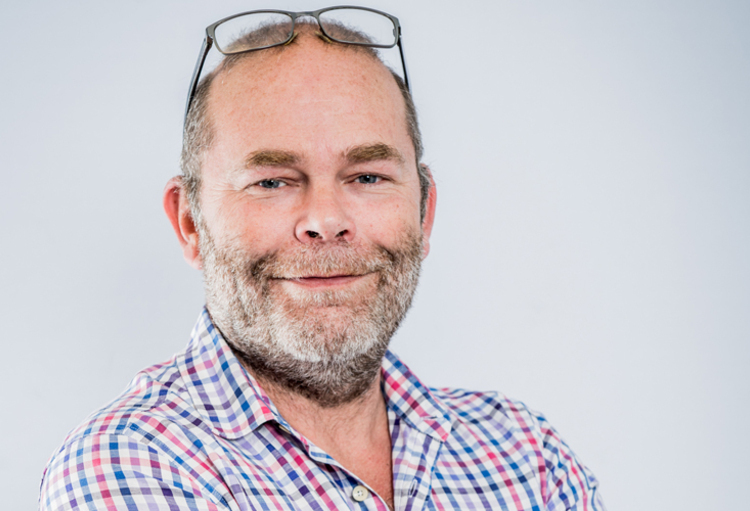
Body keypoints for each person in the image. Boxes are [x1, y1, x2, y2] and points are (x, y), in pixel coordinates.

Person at [40, 8, 605, 511]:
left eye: (368, 176)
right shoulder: (131, 464)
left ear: (425, 213)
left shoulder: (527, 456)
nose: (326, 220)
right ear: (190, 223)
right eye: (271, 181)